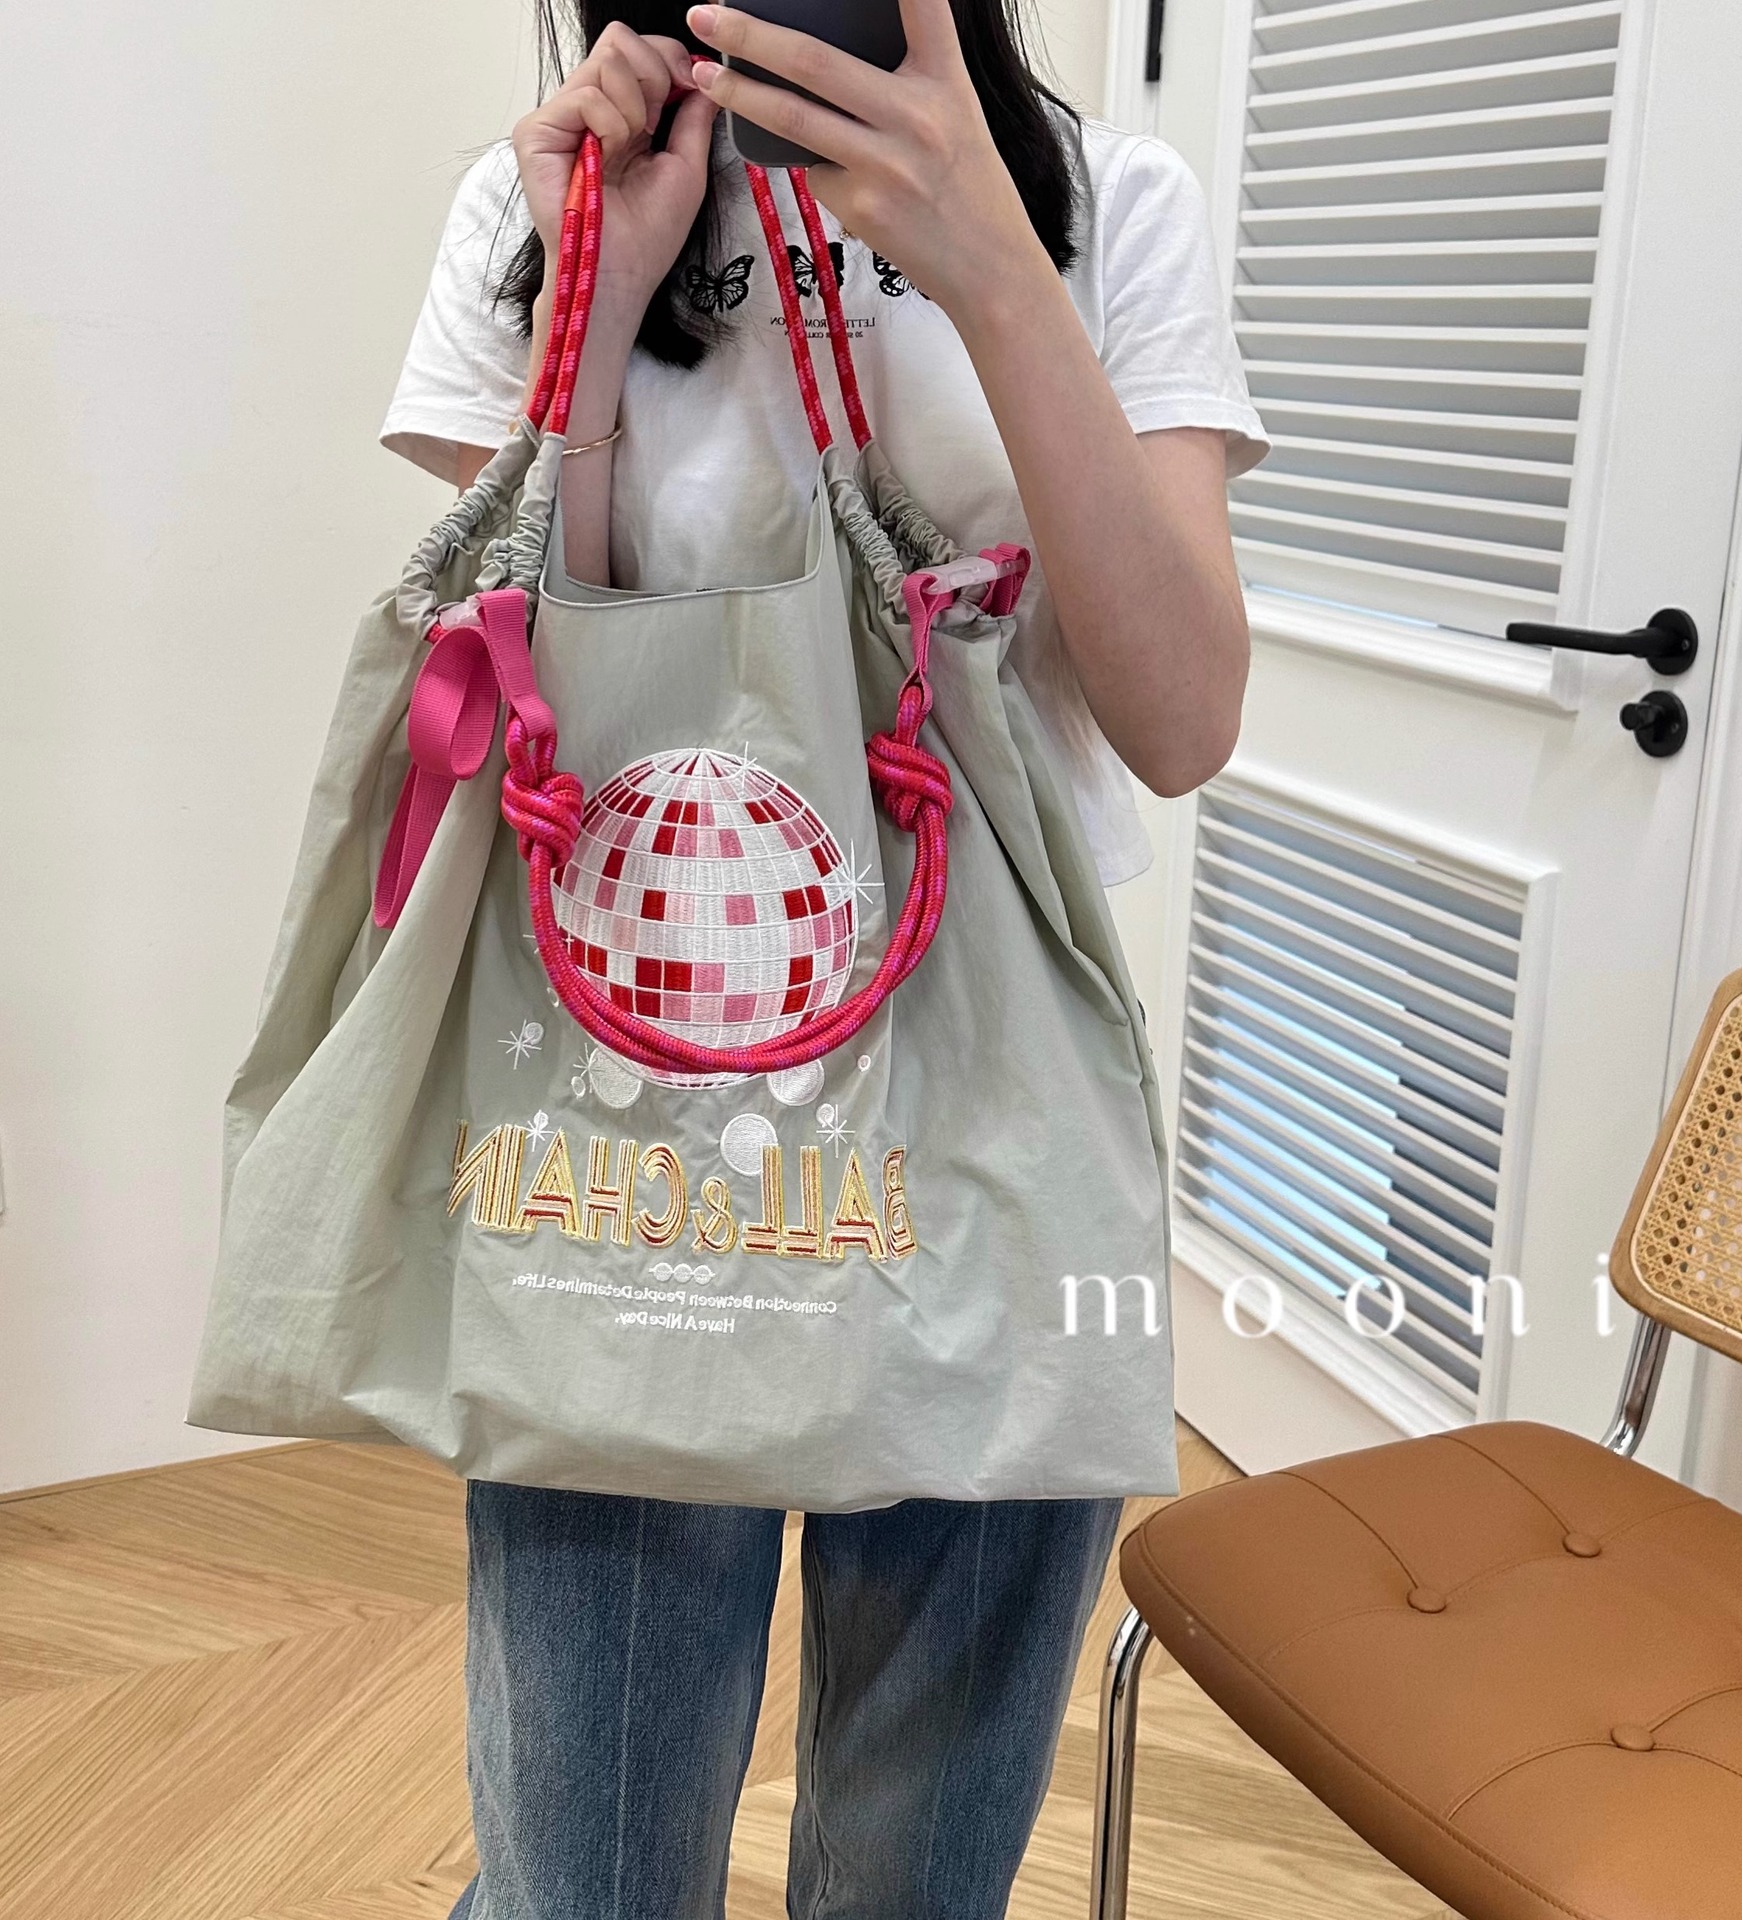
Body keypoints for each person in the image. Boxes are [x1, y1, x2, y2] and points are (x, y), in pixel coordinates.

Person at [381, 1, 1264, 1912]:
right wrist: (597, 307)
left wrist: (996, 271)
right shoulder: (538, 203)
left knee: (913, 1882)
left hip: (995, 1103)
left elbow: (1182, 722)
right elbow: (528, 679)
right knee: (587, 1877)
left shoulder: (1107, 205)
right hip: (632, 1089)